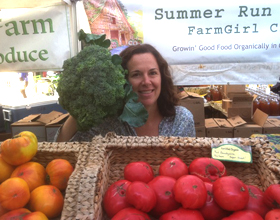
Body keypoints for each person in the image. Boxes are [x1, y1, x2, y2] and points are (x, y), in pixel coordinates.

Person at [56, 44, 195, 142]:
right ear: (123, 80)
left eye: (153, 73)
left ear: (162, 78)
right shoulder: (108, 124)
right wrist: (80, 108)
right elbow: (61, 148)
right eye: (136, 74)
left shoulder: (181, 120)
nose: (146, 81)